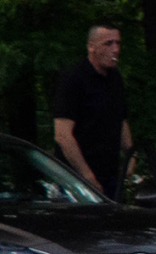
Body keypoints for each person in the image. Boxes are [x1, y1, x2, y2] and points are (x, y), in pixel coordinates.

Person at [53, 25, 133, 201]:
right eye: (108, 43)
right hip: (75, 181)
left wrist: (130, 155)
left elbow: (121, 120)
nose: (116, 49)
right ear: (91, 46)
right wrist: (87, 177)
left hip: (110, 178)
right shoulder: (73, 78)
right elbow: (63, 135)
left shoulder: (115, 79)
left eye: (118, 43)